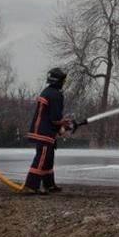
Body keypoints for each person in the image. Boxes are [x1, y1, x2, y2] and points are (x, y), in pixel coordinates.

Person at [22, 67, 72, 195]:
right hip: (44, 132)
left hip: (44, 130)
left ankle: (49, 184)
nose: (64, 82)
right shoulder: (55, 94)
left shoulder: (48, 91)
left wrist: (61, 126)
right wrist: (64, 123)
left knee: (48, 158)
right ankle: (31, 185)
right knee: (42, 158)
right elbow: (55, 118)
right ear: (58, 80)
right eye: (63, 80)